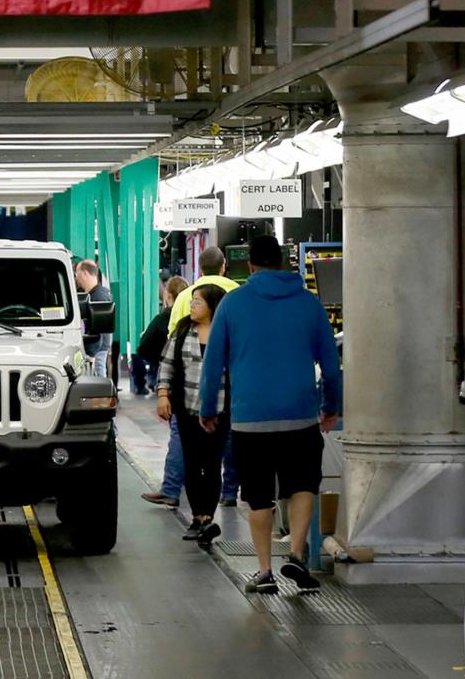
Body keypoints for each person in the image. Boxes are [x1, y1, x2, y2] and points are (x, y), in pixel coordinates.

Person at [198, 234, 341, 594]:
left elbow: (212, 364)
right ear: (282, 262)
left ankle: (264, 572)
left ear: (250, 266)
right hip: (301, 415)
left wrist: (208, 408)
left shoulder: (233, 304)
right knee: (303, 484)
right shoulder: (309, 304)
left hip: (251, 417)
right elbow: (332, 366)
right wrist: (331, 407)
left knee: (258, 494)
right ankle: (295, 553)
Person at [156, 284, 229, 546]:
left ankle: (206, 516)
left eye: (197, 301)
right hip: (186, 410)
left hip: (219, 411)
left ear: (212, 306)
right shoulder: (184, 330)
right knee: (191, 462)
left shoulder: (226, 333)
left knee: (211, 464)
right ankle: (198, 517)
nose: (192, 306)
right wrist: (163, 395)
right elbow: (167, 365)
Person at [132, 275, 189, 395]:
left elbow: (143, 349)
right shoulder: (193, 318)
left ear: (168, 296)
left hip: (166, 379)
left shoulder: (161, 319)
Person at [167, 245, 239, 335]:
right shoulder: (239, 294)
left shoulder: (183, 297)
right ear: (223, 267)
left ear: (201, 269)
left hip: (191, 348)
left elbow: (172, 332)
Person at [74, 259, 113, 378]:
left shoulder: (98, 296)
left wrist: (92, 352)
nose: (76, 278)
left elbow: (99, 327)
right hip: (98, 347)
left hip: (97, 348)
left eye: (77, 274)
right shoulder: (97, 294)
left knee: (98, 378)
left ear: (85, 273)